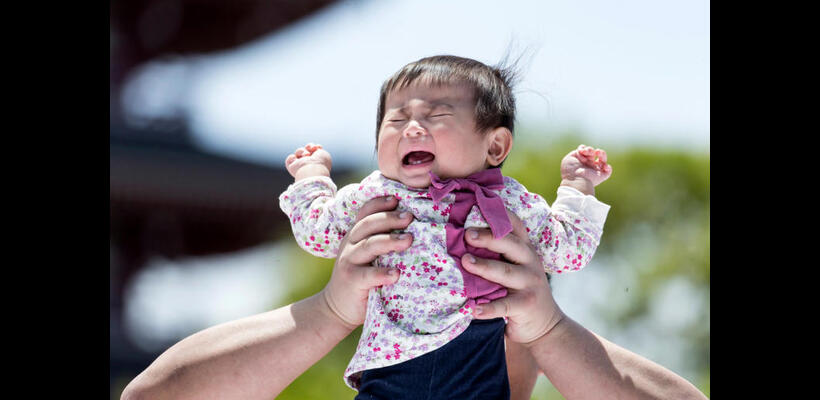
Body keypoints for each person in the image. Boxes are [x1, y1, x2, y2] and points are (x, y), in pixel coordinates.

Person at [120, 196, 708, 400]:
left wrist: (550, 329)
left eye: (482, 294)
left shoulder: (535, 332)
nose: (443, 316)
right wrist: (331, 311)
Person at [278, 55, 612, 398]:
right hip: (391, 364)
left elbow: (568, 252)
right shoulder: (373, 194)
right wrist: (312, 177)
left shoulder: (510, 203)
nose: (411, 128)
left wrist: (577, 186)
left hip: (476, 360)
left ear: (495, 146)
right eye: (397, 118)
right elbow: (317, 235)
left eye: (436, 116)